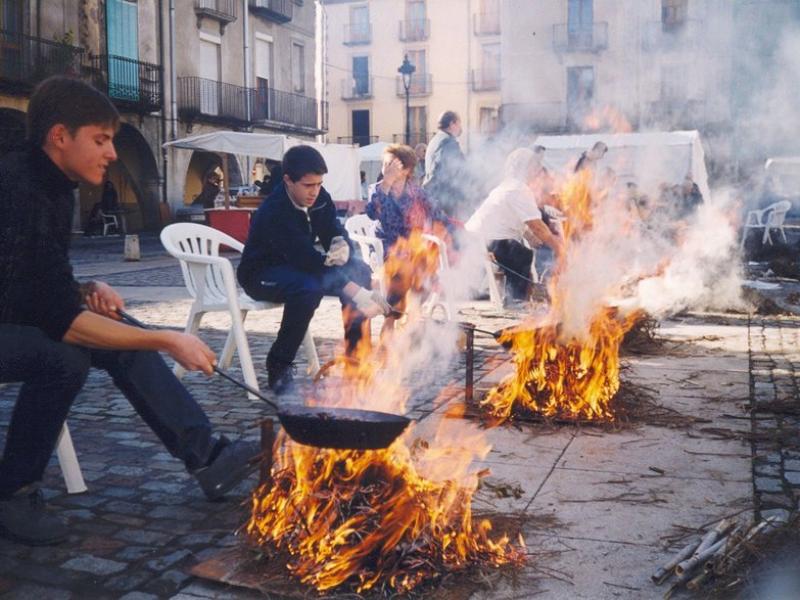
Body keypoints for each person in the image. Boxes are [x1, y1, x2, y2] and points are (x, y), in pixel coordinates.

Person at [0, 77, 260, 546]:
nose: (113, 153)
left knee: (115, 328)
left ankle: (209, 459)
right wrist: (167, 338)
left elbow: (32, 283)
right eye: (100, 140)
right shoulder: (18, 186)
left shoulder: (54, 184)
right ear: (60, 136)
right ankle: (14, 491)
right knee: (66, 357)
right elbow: (58, 321)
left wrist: (85, 288)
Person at [237, 145, 390, 394]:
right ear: (288, 180)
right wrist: (357, 292)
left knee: (359, 269)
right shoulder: (274, 212)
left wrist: (343, 246)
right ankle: (279, 364)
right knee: (308, 289)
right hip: (262, 274)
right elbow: (307, 260)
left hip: (297, 266)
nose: (314, 192)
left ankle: (356, 360)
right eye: (308, 186)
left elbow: (333, 231)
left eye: (319, 184)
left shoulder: (320, 198)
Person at [365, 144, 448, 332]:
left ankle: (409, 316)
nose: (387, 169)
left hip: (411, 249)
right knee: (406, 267)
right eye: (385, 165)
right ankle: (390, 321)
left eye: (392, 165)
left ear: (407, 170)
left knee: (428, 271)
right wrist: (386, 183)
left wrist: (461, 232)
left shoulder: (416, 192)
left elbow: (437, 214)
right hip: (385, 248)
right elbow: (373, 213)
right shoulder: (377, 189)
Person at [465, 147, 563, 304]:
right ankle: (515, 301)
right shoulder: (518, 189)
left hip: (478, 237)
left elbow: (514, 218)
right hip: (485, 240)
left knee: (520, 251)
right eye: (534, 167)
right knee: (521, 255)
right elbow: (537, 225)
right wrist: (559, 247)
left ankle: (516, 298)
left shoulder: (508, 186)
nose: (537, 172)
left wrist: (529, 236)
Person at [423, 111, 468, 219]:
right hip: (444, 200)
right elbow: (454, 172)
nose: (460, 128)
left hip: (433, 196)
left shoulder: (435, 140)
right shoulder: (448, 142)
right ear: (452, 124)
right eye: (459, 124)